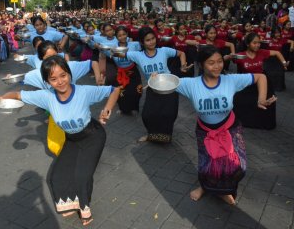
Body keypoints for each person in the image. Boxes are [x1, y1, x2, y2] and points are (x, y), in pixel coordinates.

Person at [0, 55, 120, 226]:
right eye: (53, 79)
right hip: (72, 140)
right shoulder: (46, 96)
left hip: (93, 136)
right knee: (55, 176)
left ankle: (85, 208)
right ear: (47, 82)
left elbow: (114, 89)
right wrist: (3, 98)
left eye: (63, 75)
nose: (60, 81)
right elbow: (17, 95)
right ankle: (71, 202)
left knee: (81, 175)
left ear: (69, 74)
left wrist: (107, 109)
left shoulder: (84, 91)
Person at [172, 45, 275, 204]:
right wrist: (155, 76)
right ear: (201, 64)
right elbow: (165, 81)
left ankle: (225, 191)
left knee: (236, 166)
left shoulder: (231, 80)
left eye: (220, 61)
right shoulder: (191, 84)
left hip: (230, 128)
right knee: (208, 165)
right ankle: (204, 187)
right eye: (211, 63)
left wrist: (261, 99)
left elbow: (261, 77)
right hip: (205, 132)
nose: (217, 66)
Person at [115, 27, 190, 143]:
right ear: (142, 42)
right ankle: (151, 134)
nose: (151, 42)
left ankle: (164, 136)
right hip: (153, 89)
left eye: (153, 38)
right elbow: (116, 53)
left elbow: (182, 54)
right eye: (147, 40)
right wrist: (105, 49)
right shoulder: (137, 55)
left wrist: (183, 65)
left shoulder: (164, 50)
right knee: (147, 115)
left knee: (168, 114)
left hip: (169, 88)